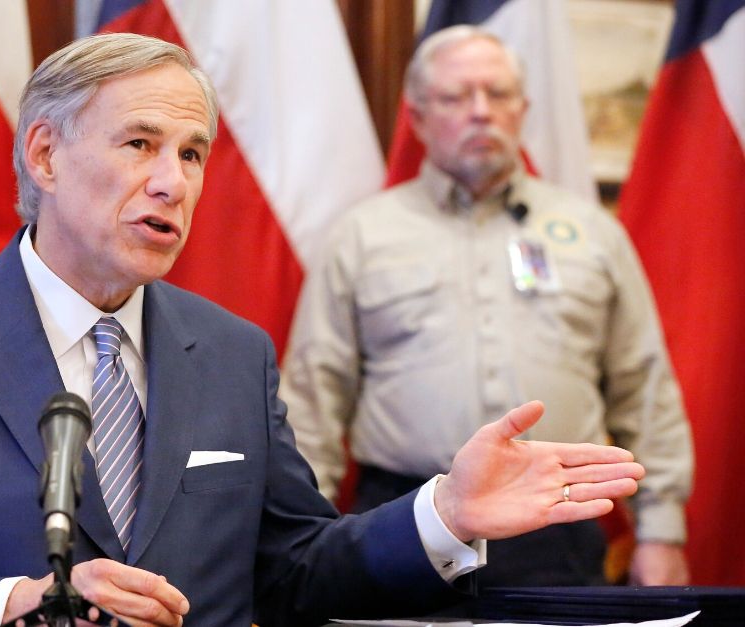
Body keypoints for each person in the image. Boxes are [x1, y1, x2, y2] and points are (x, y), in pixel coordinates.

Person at [0, 33, 643, 627]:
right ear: (44, 156)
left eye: (191, 153)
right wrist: (14, 601)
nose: (173, 182)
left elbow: (296, 568)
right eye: (140, 144)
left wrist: (444, 513)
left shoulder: (233, 352)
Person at [281, 25, 692, 589]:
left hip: (559, 522)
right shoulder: (361, 235)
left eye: (497, 94)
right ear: (418, 117)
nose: (481, 111)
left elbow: (643, 386)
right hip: (406, 517)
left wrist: (661, 531)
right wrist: (305, 536)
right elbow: (314, 395)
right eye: (456, 96)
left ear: (523, 109)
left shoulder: (593, 233)